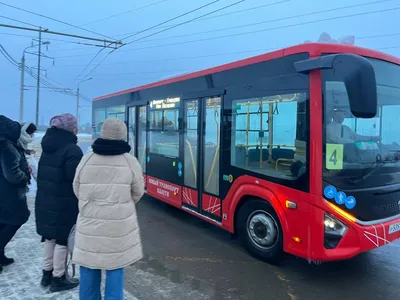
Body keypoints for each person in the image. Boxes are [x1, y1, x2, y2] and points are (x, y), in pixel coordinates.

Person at [72, 117, 144, 299]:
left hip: (89, 224)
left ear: (102, 133)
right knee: (115, 268)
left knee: (88, 266)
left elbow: (77, 187)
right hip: (118, 227)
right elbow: (138, 191)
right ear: (123, 136)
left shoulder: (87, 158)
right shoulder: (130, 161)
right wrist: (121, 204)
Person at [35, 113, 83, 292]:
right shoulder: (72, 150)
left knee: (49, 237)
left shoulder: (48, 146)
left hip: (46, 200)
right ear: (71, 129)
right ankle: (59, 277)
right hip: (64, 202)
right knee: (62, 239)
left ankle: (46, 274)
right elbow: (75, 180)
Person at [0, 115, 31, 273]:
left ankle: (0, 255)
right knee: (17, 219)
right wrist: (25, 176)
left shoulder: (3, 143)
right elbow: (12, 174)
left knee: (3, 221)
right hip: (10, 192)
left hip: (3, 191)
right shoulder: (7, 147)